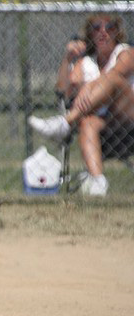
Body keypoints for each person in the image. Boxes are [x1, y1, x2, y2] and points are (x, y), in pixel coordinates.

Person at [28, 15, 134, 196]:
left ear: (117, 31)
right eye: (96, 27)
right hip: (104, 129)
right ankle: (98, 183)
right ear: (89, 34)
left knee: (114, 80)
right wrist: (68, 59)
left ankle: (65, 123)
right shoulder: (86, 63)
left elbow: (116, 73)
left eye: (109, 27)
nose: (103, 32)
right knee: (87, 122)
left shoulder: (125, 52)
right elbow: (63, 91)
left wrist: (89, 86)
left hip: (128, 119)